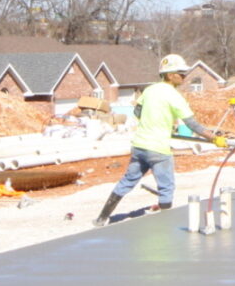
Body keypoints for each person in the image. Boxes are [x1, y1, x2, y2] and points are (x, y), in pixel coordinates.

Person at [94, 54, 223, 226]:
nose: (184, 76)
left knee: (127, 181)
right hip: (158, 149)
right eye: (181, 73)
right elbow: (192, 124)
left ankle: (102, 218)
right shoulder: (174, 96)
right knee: (166, 187)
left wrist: (153, 121)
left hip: (140, 146)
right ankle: (165, 222)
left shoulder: (150, 90)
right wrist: (214, 138)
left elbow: (137, 112)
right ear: (170, 75)